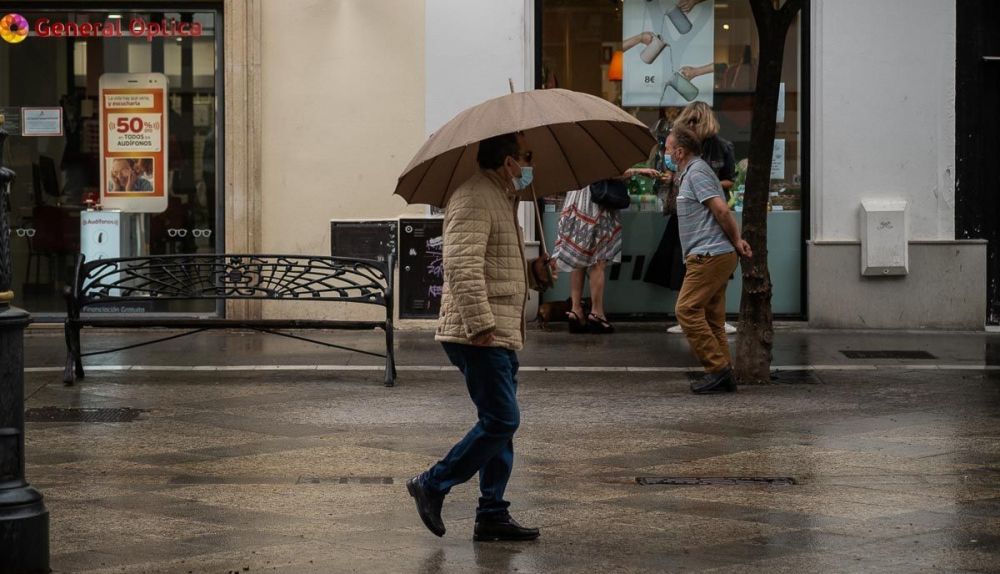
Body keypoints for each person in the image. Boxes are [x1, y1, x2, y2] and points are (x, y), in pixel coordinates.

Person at [407, 132, 550, 542]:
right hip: (479, 332)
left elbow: (495, 265)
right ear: (508, 162)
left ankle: (492, 513)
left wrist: (535, 272)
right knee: (503, 419)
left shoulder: (501, 197)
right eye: (525, 157)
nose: (528, 165)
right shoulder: (473, 197)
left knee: (498, 423)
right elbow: (461, 265)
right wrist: (481, 324)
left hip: (499, 330)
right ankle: (432, 483)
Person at [666, 126, 752, 394]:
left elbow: (722, 210)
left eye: (668, 149)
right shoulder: (691, 173)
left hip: (709, 254)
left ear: (680, 152)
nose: (665, 154)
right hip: (710, 254)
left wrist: (737, 240)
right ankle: (724, 374)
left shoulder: (698, 173)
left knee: (686, 310)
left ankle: (717, 369)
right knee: (713, 318)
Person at [552, 168, 658, 334]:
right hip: (595, 205)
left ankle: (575, 310)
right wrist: (637, 171)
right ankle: (597, 313)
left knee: (578, 260)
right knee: (598, 261)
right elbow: (606, 172)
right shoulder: (598, 154)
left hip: (575, 202)